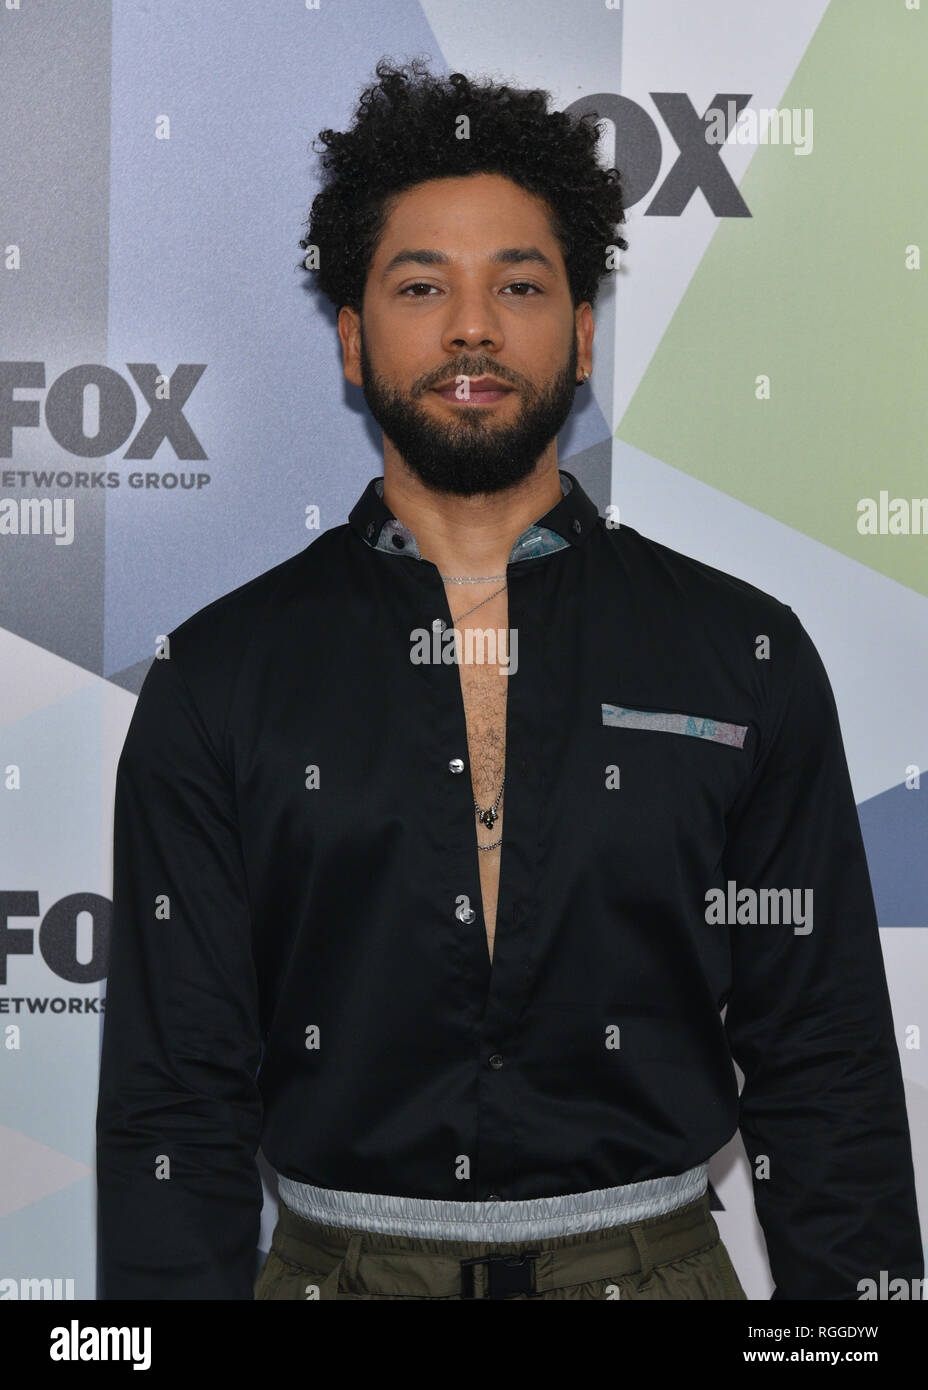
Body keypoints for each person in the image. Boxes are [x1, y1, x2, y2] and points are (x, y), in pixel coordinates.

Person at [95, 58, 922, 1301]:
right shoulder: (217, 677)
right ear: (352, 334)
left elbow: (826, 1065)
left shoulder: (743, 656)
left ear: (581, 332)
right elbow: (176, 1099)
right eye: (422, 285)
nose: (471, 327)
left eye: (520, 286)